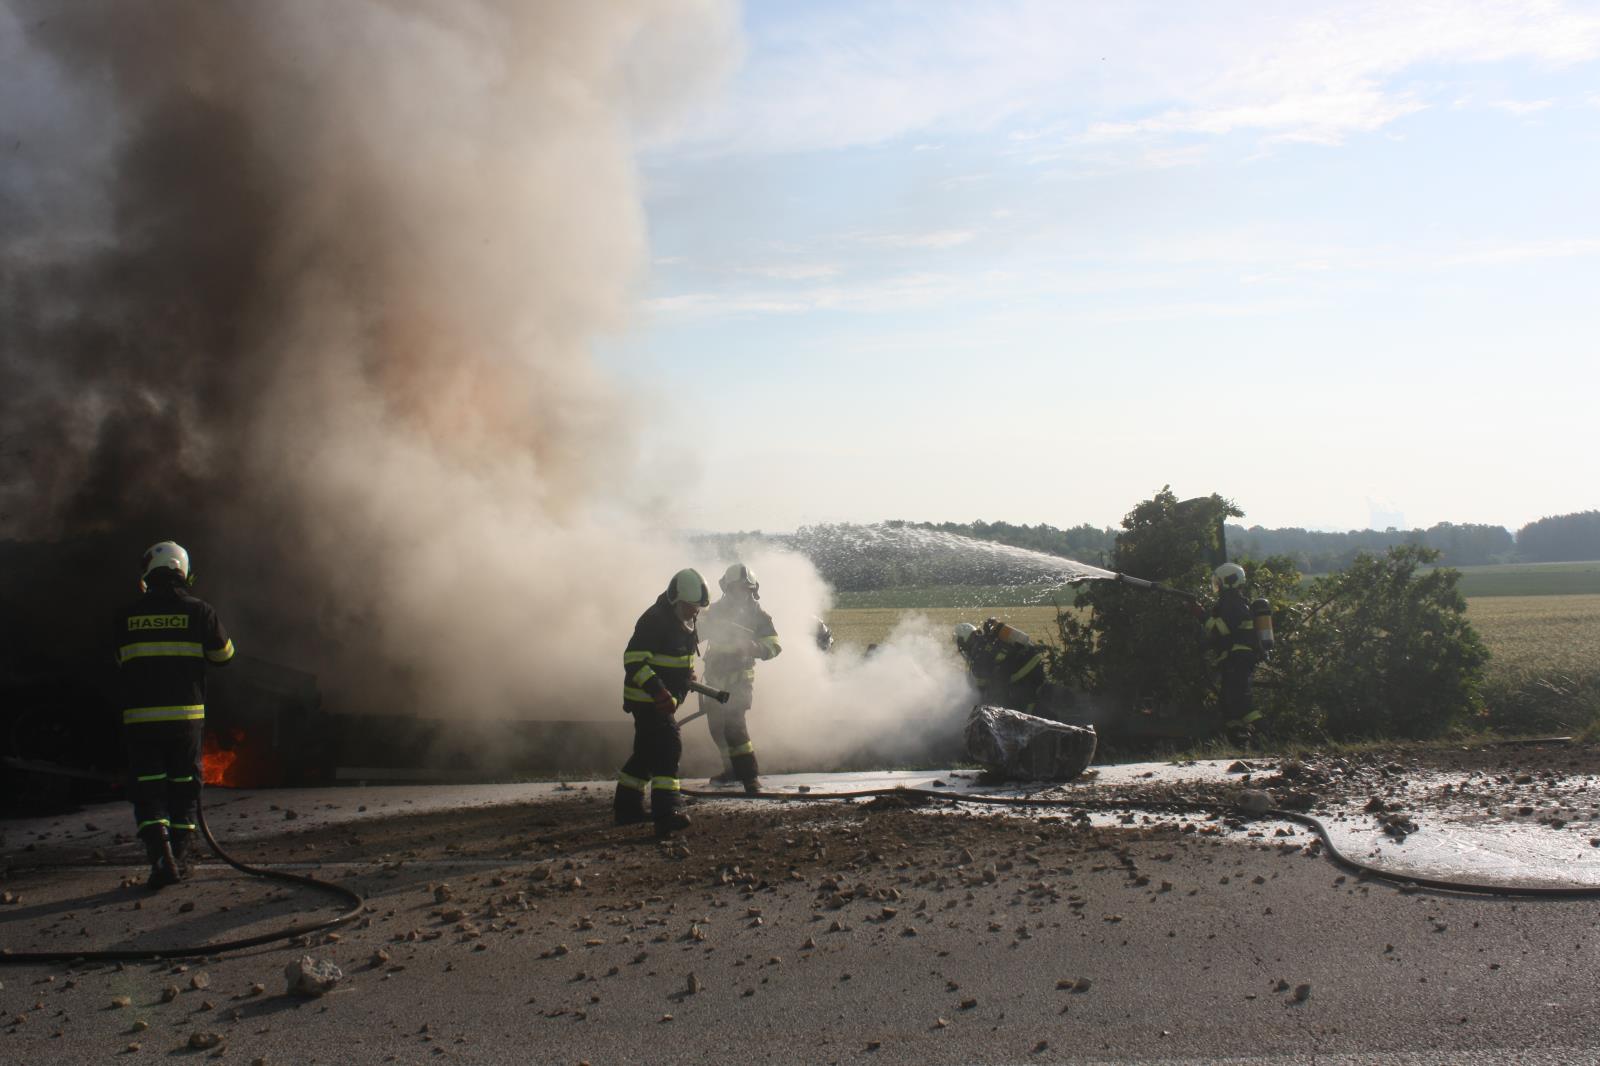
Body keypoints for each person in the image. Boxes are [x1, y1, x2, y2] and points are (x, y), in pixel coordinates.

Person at [113, 541, 235, 889]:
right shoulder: (201, 612)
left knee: (147, 790)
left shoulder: (125, 615)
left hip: (140, 722)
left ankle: (159, 857)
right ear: (183, 571)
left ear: (149, 574)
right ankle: (180, 858)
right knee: (184, 788)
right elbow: (224, 657)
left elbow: (120, 661)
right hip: (184, 721)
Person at [615, 569, 707, 837]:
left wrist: (684, 679)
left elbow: (679, 658)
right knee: (669, 746)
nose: (695, 612)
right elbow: (634, 660)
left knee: (646, 752)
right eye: (691, 607)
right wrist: (658, 692)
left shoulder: (685, 619)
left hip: (664, 698)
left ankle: (627, 808)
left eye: (698, 607)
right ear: (676, 599)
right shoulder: (654, 621)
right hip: (647, 700)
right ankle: (667, 813)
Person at [698, 563, 782, 794]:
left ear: (752, 590)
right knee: (717, 729)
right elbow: (696, 635)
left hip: (740, 681)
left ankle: (750, 778)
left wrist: (755, 648)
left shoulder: (759, 615)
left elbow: (775, 645)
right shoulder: (714, 611)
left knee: (735, 728)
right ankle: (731, 771)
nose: (739, 593)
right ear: (726, 588)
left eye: (745, 589)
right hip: (714, 681)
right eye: (735, 588)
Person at [1202, 562, 1261, 728]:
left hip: (1238, 658)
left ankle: (1268, 735)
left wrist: (1201, 615)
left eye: (1218, 582)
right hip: (1234, 658)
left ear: (1228, 581)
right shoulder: (1234, 602)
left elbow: (1223, 629)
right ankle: (1238, 739)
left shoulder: (1232, 603)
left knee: (1241, 703)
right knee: (1228, 703)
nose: (1217, 586)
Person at [953, 618, 1046, 714]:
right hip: (1035, 663)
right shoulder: (990, 637)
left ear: (964, 641)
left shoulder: (978, 656)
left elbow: (983, 690)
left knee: (998, 696)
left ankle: (1030, 719)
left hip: (1025, 675)